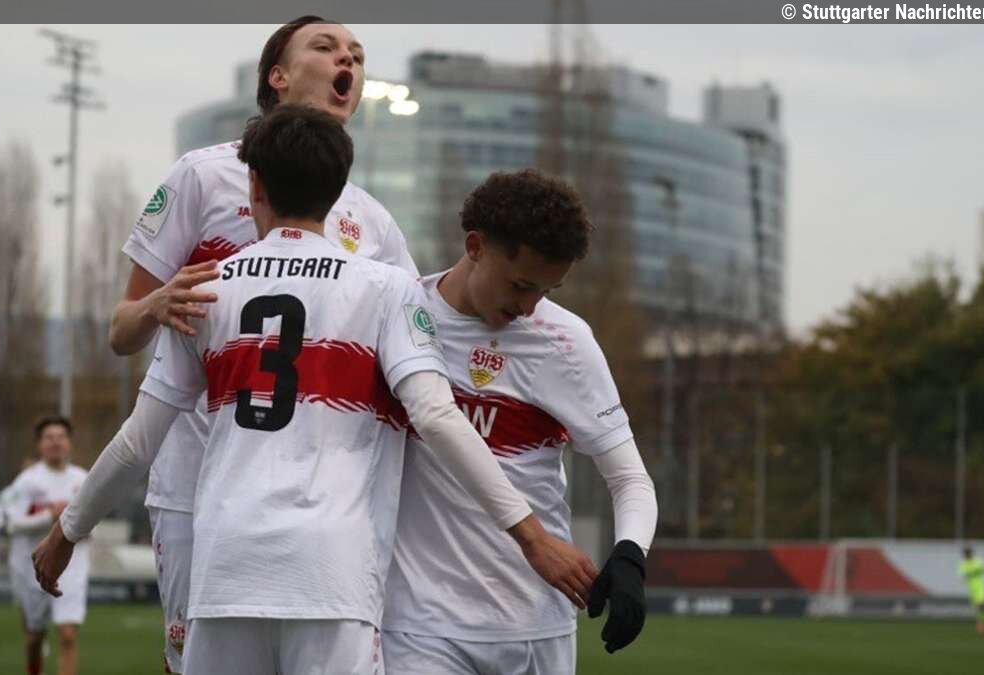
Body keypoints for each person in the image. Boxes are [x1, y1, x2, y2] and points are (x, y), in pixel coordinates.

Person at [34, 105, 595, 675]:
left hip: (226, 567)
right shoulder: (388, 289)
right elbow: (438, 417)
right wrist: (532, 538)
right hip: (333, 576)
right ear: (339, 191)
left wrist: (68, 530)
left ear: (255, 186)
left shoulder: (203, 291)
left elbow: (138, 442)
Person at [110, 17, 416, 673]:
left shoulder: (373, 220)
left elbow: (414, 353)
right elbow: (120, 329)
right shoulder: (201, 176)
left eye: (357, 55)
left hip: (319, 508)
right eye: (326, 48)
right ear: (277, 76)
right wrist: (156, 307)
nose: (347, 61)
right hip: (196, 481)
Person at [379, 170, 658, 674]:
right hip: (419, 625)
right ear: (475, 246)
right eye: (521, 285)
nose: (529, 308)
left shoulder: (566, 341)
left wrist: (631, 555)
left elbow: (629, 477)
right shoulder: (400, 316)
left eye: (546, 291)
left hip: (537, 624)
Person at [5, 416, 89, 675]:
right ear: (39, 444)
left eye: (61, 437)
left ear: (70, 443)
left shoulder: (84, 479)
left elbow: (93, 523)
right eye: (49, 437)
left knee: (67, 634)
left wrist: (73, 522)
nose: (56, 442)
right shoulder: (27, 481)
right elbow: (13, 524)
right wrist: (49, 516)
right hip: (35, 567)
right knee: (34, 638)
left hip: (73, 566)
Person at [959, 546, 984, 634]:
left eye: (968, 553)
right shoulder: (963, 564)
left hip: (981, 588)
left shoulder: (978, 562)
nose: (967, 554)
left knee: (982, 605)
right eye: (966, 553)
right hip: (972, 589)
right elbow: (963, 576)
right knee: (979, 608)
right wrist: (976, 571)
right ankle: (983, 625)